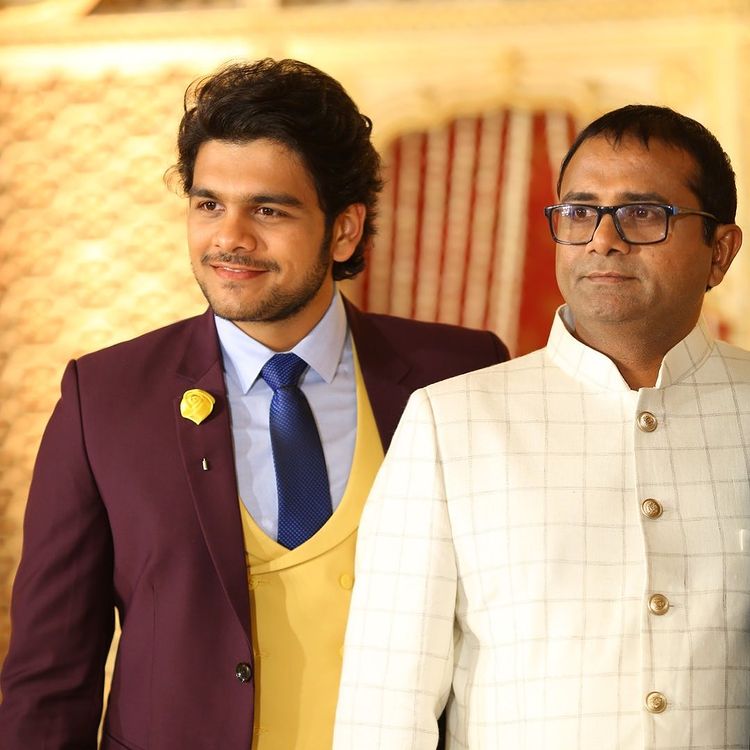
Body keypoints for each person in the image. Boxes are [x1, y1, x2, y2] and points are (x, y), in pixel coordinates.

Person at [0, 58, 509, 750]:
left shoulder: (459, 374)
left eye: (268, 210)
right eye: (208, 204)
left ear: (344, 230)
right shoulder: (105, 398)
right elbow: (50, 676)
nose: (229, 238)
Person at [333, 104, 749, 750]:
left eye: (643, 213)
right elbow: (384, 706)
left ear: (719, 251)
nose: (603, 240)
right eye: (580, 213)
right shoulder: (454, 423)